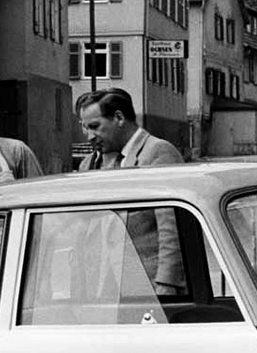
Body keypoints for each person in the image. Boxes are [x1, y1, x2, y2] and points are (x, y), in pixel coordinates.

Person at [75, 88, 185, 294]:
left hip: (147, 286)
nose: (89, 136)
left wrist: (167, 285)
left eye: (95, 126)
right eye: (84, 128)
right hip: (101, 288)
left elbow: (172, 228)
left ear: (119, 117)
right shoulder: (89, 164)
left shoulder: (157, 153)